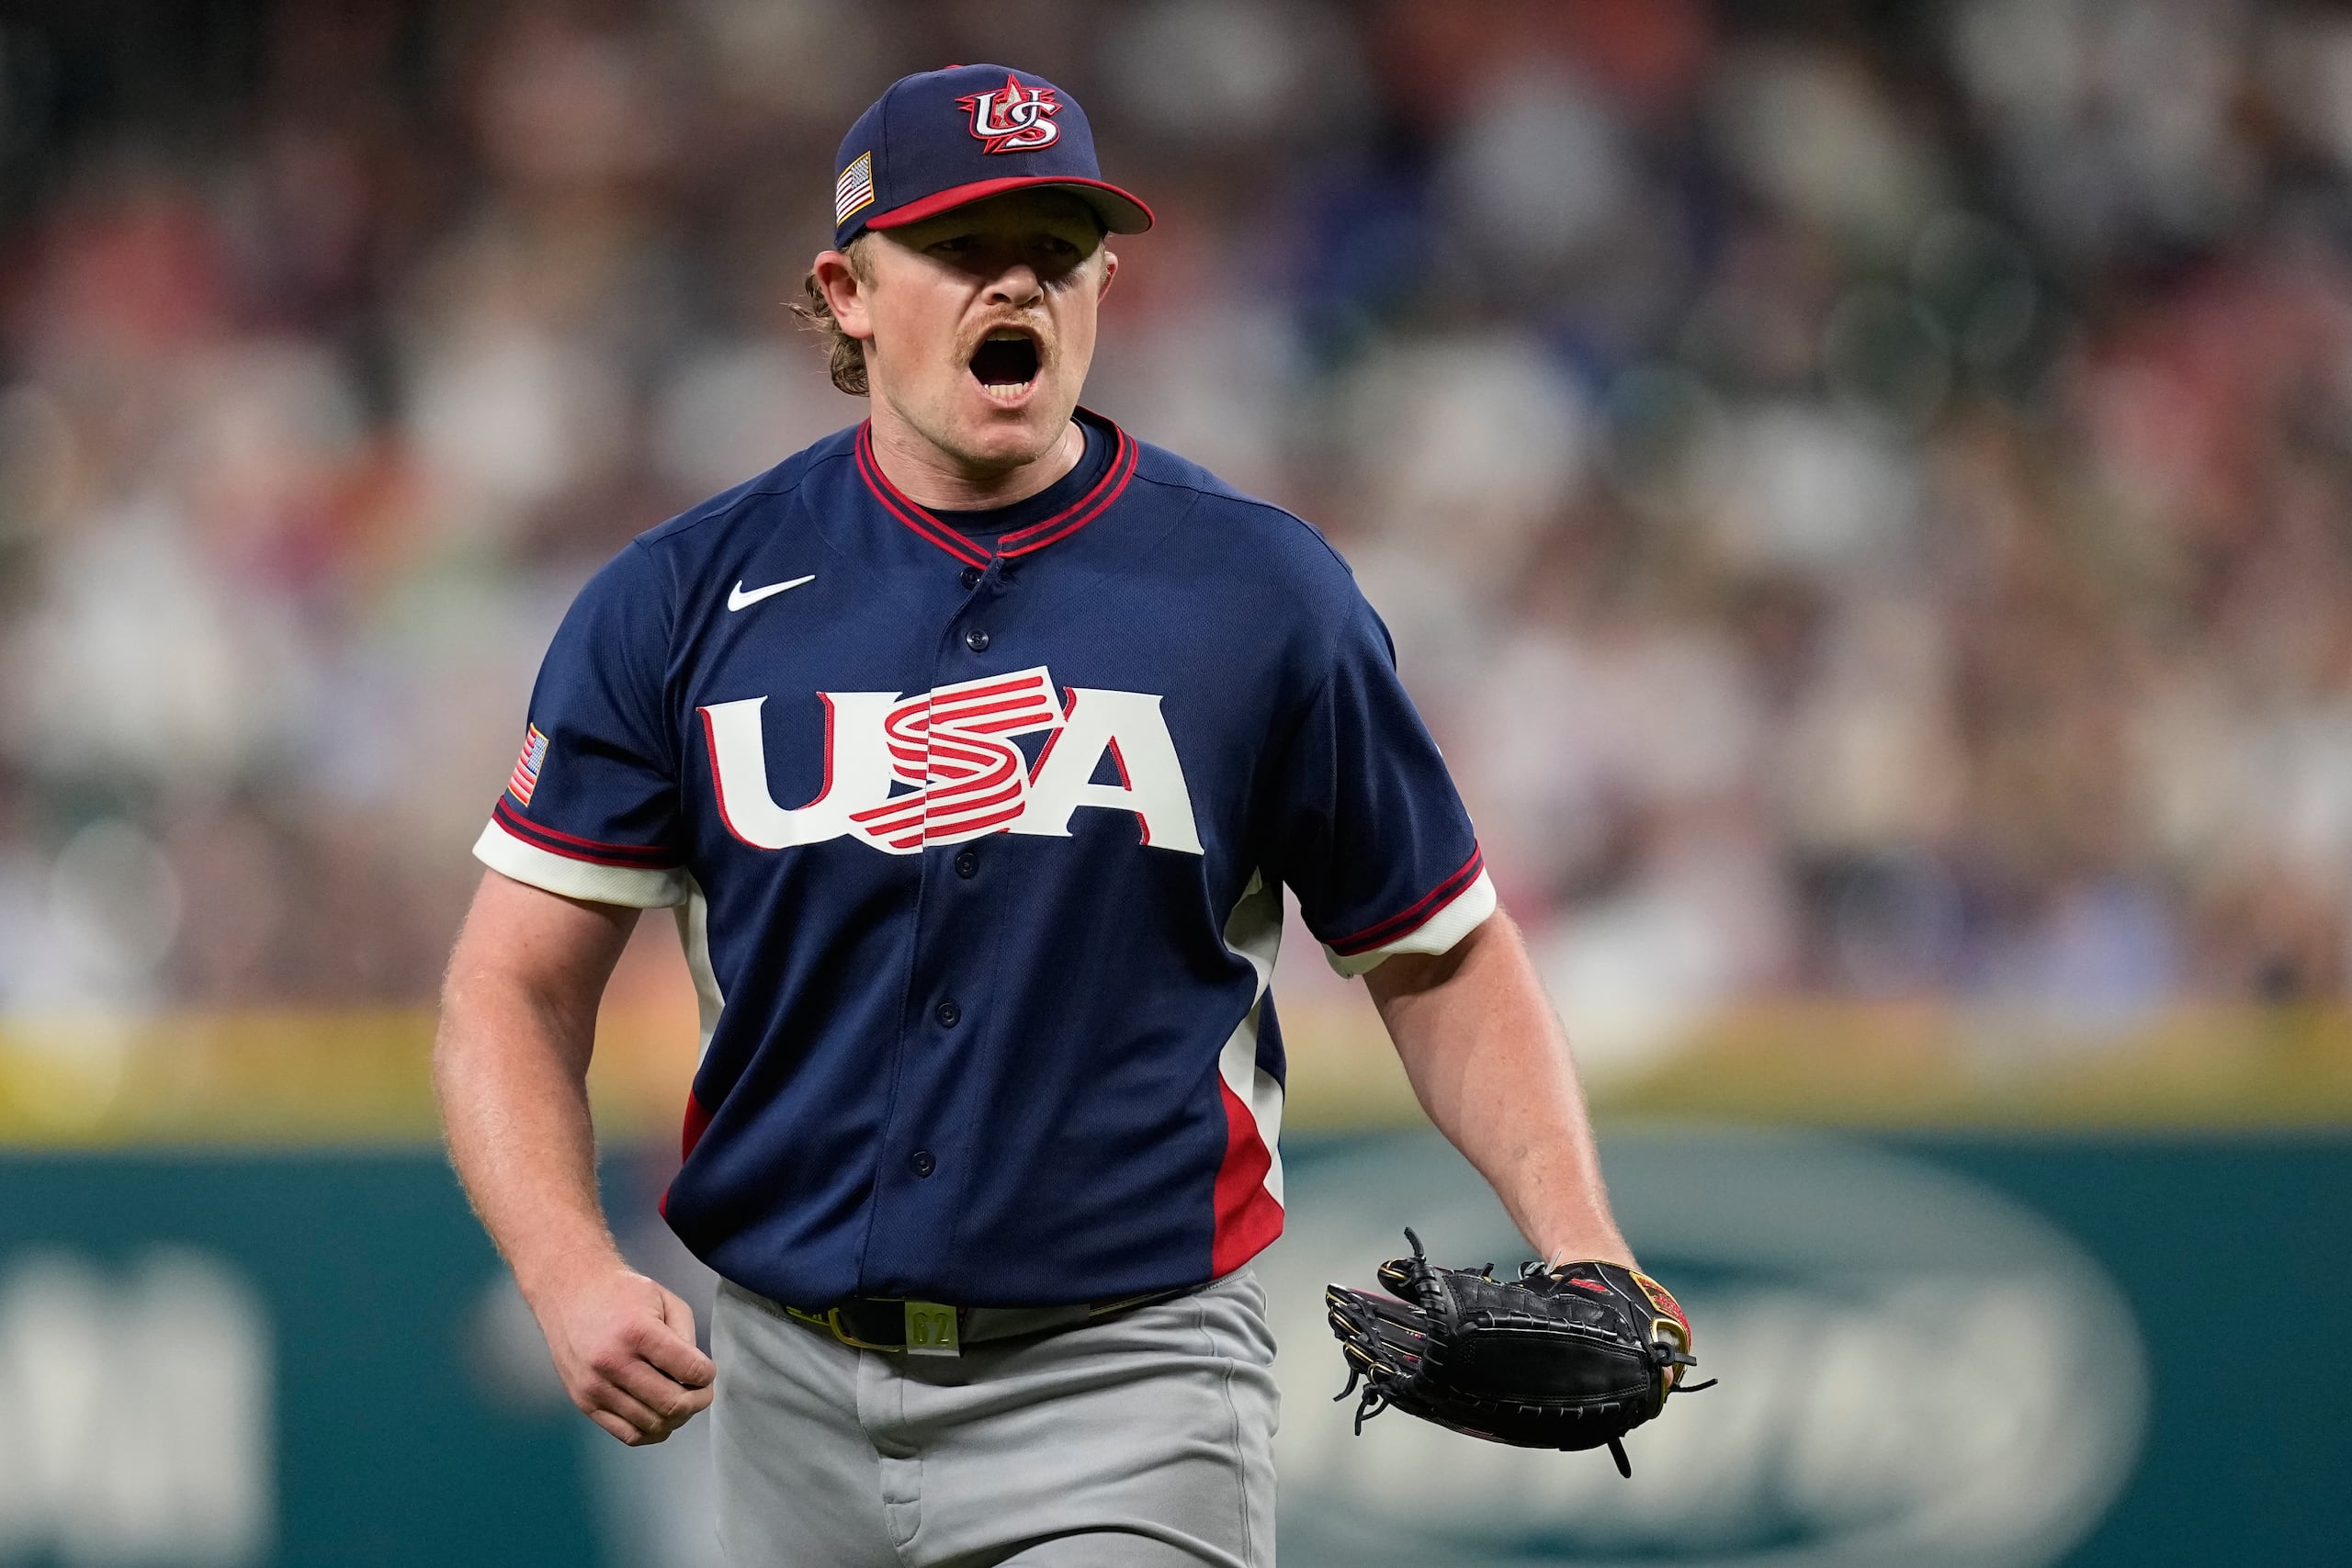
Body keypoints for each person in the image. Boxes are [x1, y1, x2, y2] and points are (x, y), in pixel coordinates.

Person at [434, 62, 1637, 1568]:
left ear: (1102, 287)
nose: (1016, 281)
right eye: (960, 245)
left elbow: (1438, 950)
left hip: (1127, 1385)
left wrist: (1585, 1245)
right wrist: (565, 1270)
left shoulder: (1259, 597)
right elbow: (510, 986)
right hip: (776, 1397)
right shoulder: (679, 600)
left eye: (1057, 248)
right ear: (847, 292)